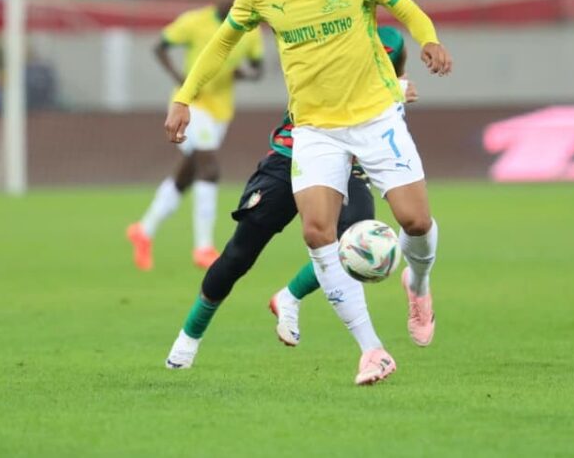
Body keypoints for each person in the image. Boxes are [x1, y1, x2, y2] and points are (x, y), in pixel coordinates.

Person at [164, 0, 452, 385]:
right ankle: (372, 351)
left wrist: (429, 39)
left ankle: (418, 283)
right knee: (318, 233)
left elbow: (404, 6)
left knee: (416, 222)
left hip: (376, 119)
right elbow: (222, 43)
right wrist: (184, 96)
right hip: (315, 129)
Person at [164, 27, 416, 382]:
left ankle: (292, 297)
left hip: (349, 162)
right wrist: (392, 91)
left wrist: (396, 91)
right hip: (292, 154)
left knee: (354, 246)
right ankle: (188, 339)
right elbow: (329, 88)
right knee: (240, 253)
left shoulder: (392, 41)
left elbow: (395, 84)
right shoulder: (325, 30)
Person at [128, 0, 263, 270]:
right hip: (192, 105)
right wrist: (180, 80)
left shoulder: (250, 28)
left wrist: (246, 74)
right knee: (209, 168)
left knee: (188, 174)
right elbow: (160, 46)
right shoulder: (194, 22)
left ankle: (144, 230)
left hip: (221, 111)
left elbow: (258, 68)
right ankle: (203, 247)